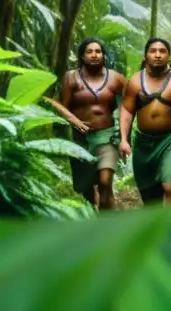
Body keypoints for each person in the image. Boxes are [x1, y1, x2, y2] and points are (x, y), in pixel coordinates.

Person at [46, 37, 126, 210]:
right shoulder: (71, 78)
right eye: (89, 52)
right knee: (86, 189)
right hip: (81, 140)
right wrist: (73, 119)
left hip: (107, 137)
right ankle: (95, 215)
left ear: (103, 55)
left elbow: (131, 101)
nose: (94, 55)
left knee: (105, 182)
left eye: (98, 51)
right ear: (82, 56)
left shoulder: (116, 79)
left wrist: (124, 132)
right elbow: (59, 104)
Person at [119, 37, 171, 205]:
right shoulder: (135, 81)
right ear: (146, 56)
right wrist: (124, 140)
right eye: (153, 51)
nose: (157, 55)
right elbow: (126, 110)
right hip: (143, 142)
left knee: (169, 187)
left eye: (162, 51)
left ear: (169, 56)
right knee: (150, 198)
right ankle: (158, 227)